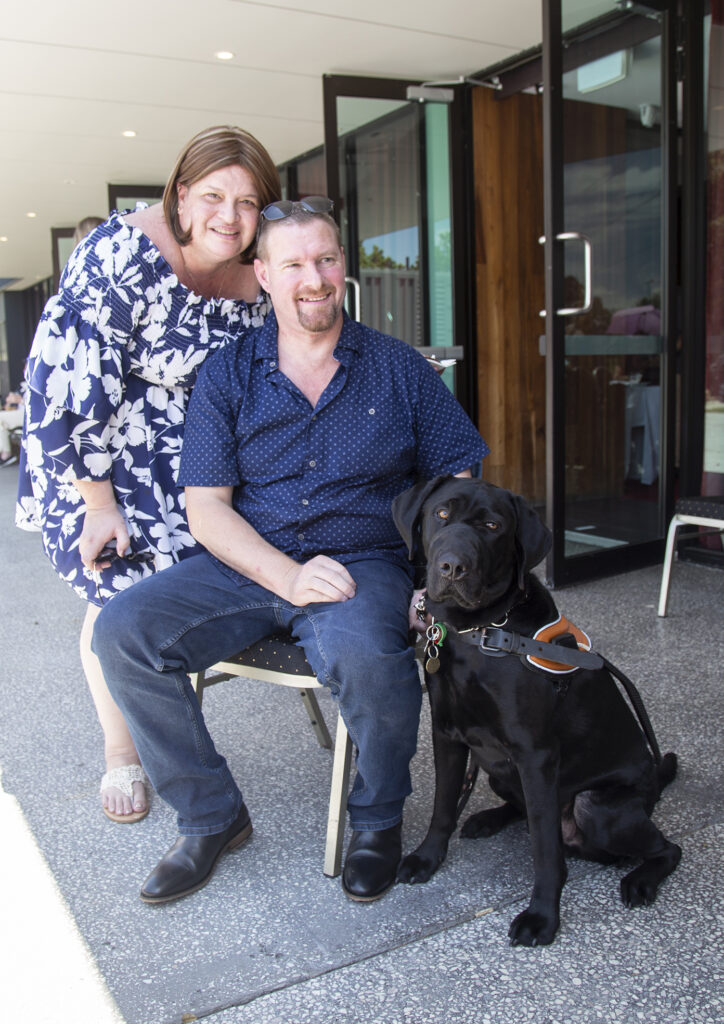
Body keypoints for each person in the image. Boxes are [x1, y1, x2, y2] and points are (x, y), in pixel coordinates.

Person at [92, 197, 489, 905]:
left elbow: (459, 476)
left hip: (361, 560)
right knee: (122, 632)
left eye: (327, 259)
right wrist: (283, 573)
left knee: (374, 661)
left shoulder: (399, 370)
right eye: (295, 263)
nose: (315, 277)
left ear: (344, 267)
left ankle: (375, 821)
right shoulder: (228, 373)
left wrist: (428, 581)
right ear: (265, 276)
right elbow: (206, 507)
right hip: (247, 559)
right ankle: (211, 816)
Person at [16, 126, 281, 824]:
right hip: (95, 447)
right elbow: (68, 386)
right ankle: (121, 753)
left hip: (194, 456)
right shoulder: (122, 253)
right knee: (116, 594)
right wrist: (98, 503)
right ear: (182, 194)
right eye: (215, 195)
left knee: (182, 596)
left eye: (249, 202)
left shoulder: (261, 275)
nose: (230, 216)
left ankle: (171, 733)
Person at [0, 389, 24, 466]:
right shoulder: (22, 385)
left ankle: (6, 453)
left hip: (29, 413)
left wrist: (20, 400)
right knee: (2, 425)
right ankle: (5, 454)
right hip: (17, 409)